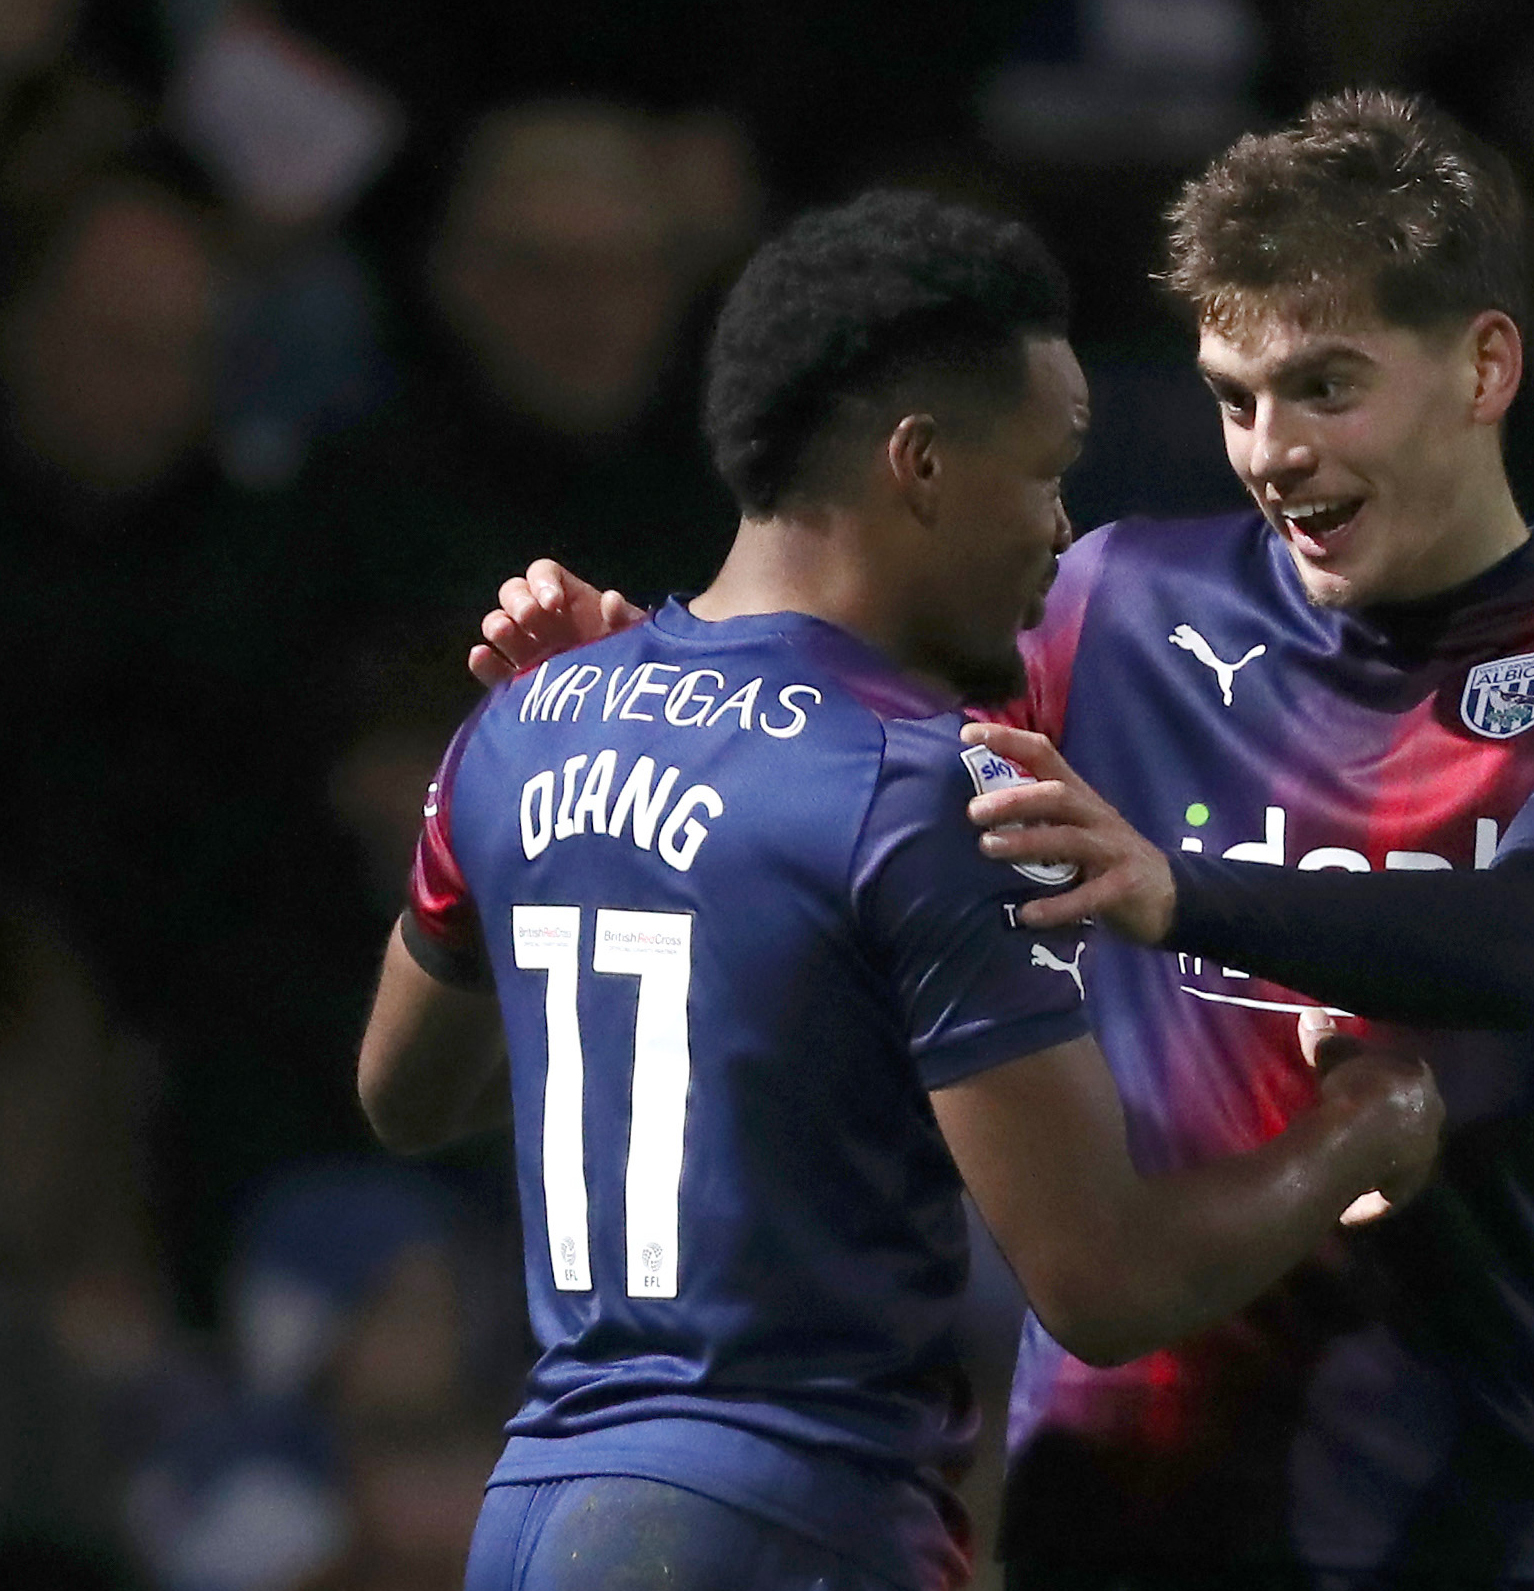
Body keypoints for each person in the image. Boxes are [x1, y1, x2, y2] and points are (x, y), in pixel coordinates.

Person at [476, 91, 1534, 1589]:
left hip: (1464, 1518)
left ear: (1486, 365)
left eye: (1327, 387)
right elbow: (845, 750)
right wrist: (643, 678)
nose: (1273, 451)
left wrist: (1176, 891)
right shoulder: (1113, 600)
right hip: (1119, 1515)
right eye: (1236, 397)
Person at [360, 189, 1444, 1591]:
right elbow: (1105, 1283)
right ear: (919, 464)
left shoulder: (526, 720)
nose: (1062, 530)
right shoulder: (925, 788)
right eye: (1047, 470)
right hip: (789, 1524)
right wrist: (1366, 1129)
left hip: (539, 1516)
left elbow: (406, 1096)